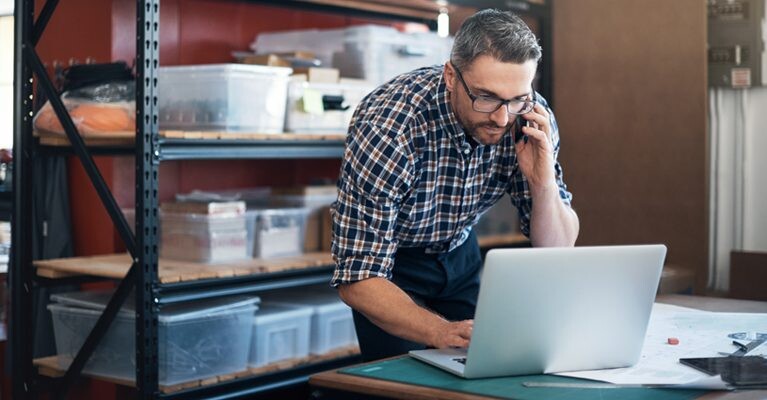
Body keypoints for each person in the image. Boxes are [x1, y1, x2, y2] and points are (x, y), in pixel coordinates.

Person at [330, 9, 580, 362]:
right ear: (450, 76)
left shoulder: (529, 116)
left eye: (516, 99)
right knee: (406, 387)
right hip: (391, 269)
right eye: (486, 97)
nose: (501, 118)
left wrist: (543, 185)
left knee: (486, 369)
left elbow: (556, 248)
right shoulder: (390, 128)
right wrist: (440, 331)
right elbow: (357, 277)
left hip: (460, 252)